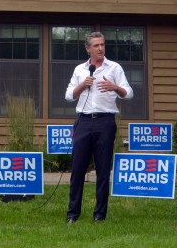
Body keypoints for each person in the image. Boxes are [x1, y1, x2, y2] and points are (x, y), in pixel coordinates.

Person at [65, 31, 133, 223]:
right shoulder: (80, 70)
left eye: (102, 45)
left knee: (103, 171)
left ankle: (99, 215)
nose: (101, 48)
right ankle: (72, 214)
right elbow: (69, 95)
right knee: (78, 170)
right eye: (96, 45)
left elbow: (128, 93)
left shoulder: (114, 68)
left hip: (105, 122)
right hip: (84, 122)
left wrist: (115, 87)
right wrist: (82, 85)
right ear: (88, 49)